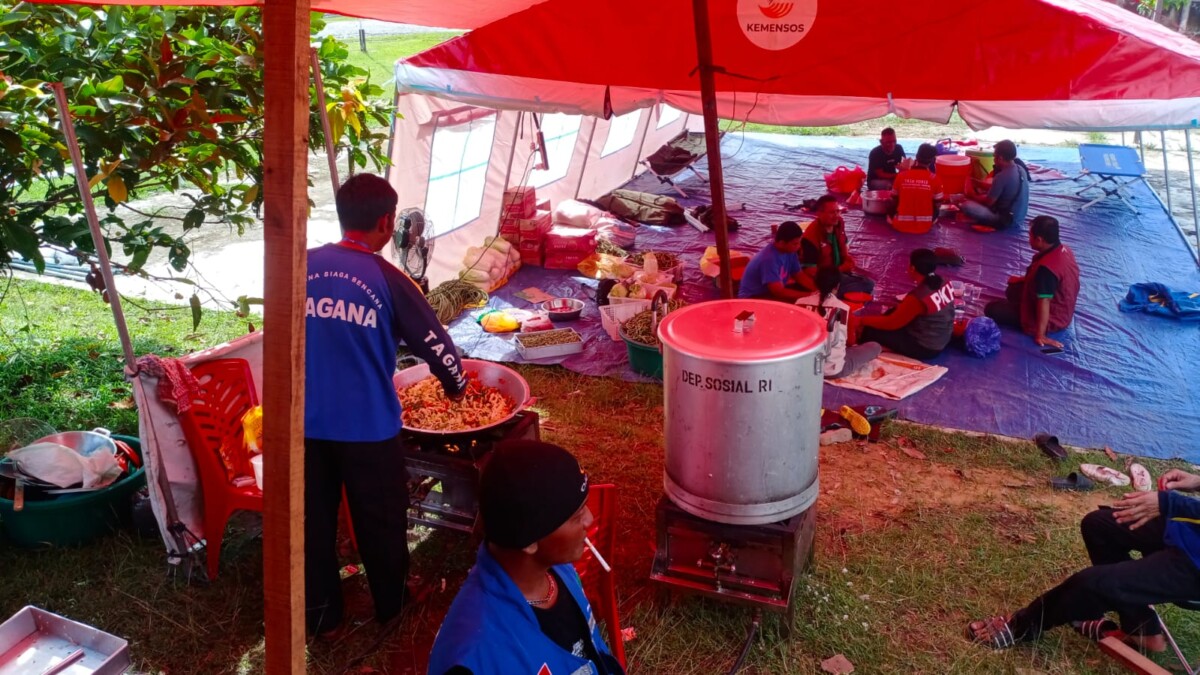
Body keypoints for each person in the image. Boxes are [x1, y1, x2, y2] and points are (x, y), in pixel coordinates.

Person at [304, 173, 466, 637]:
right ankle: (391, 606)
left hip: (305, 424)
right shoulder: (388, 278)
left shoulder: (301, 265)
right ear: (387, 221)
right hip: (368, 429)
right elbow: (437, 345)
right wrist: (456, 388)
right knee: (381, 519)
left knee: (313, 521)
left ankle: (321, 614)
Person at [428, 440, 625, 675]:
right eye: (576, 516)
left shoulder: (555, 568)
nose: (590, 520)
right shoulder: (476, 656)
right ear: (529, 541)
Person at [966, 468, 1200, 653]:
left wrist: (1170, 503)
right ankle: (1141, 628)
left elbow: (1171, 504)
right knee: (1099, 526)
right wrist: (1197, 482)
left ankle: (1024, 625)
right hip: (1190, 531)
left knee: (1091, 584)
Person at [984, 216, 1080, 348]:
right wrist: (1021, 280)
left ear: (1039, 240)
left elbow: (1044, 301)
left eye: (1030, 235)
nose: (1028, 239)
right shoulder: (1064, 250)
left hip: (1054, 318)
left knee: (992, 309)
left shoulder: (1046, 270)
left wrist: (1040, 335)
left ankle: (1038, 325)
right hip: (1063, 308)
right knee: (1012, 289)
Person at [857, 249, 955, 360]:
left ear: (912, 268)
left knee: (868, 331)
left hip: (926, 347)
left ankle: (889, 349)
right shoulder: (944, 281)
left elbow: (891, 323)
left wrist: (862, 320)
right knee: (892, 312)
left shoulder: (918, 297)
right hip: (942, 338)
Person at [795, 268, 882, 379]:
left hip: (801, 367)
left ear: (815, 283)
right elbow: (850, 342)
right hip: (832, 370)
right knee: (875, 347)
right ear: (837, 286)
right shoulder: (844, 308)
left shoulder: (799, 303)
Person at [801, 195, 874, 296]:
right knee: (868, 284)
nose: (836, 215)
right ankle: (828, 293)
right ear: (819, 213)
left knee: (866, 282)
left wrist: (847, 257)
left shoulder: (839, 222)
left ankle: (834, 291)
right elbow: (810, 271)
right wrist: (840, 269)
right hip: (824, 278)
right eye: (831, 212)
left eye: (837, 211)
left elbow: (843, 242)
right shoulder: (810, 237)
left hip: (838, 271)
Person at [959, 139, 1029, 230]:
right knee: (982, 194)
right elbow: (1002, 188)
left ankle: (988, 222)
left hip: (1006, 220)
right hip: (1019, 216)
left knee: (967, 205)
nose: (993, 159)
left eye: (994, 156)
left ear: (1000, 158)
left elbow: (988, 202)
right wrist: (976, 182)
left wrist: (971, 194)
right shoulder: (1020, 169)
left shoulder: (1001, 176)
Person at [737, 221, 814, 301]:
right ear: (781, 243)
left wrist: (818, 290)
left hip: (769, 293)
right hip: (752, 298)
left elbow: (799, 275)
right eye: (795, 244)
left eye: (799, 243)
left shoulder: (790, 251)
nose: (798, 246)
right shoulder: (769, 259)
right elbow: (778, 292)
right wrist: (809, 296)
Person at [888, 143, 943, 233]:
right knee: (936, 203)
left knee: (892, 200)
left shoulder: (901, 175)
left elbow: (893, 200)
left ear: (916, 156)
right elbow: (938, 205)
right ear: (933, 160)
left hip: (899, 225)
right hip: (925, 226)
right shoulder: (935, 179)